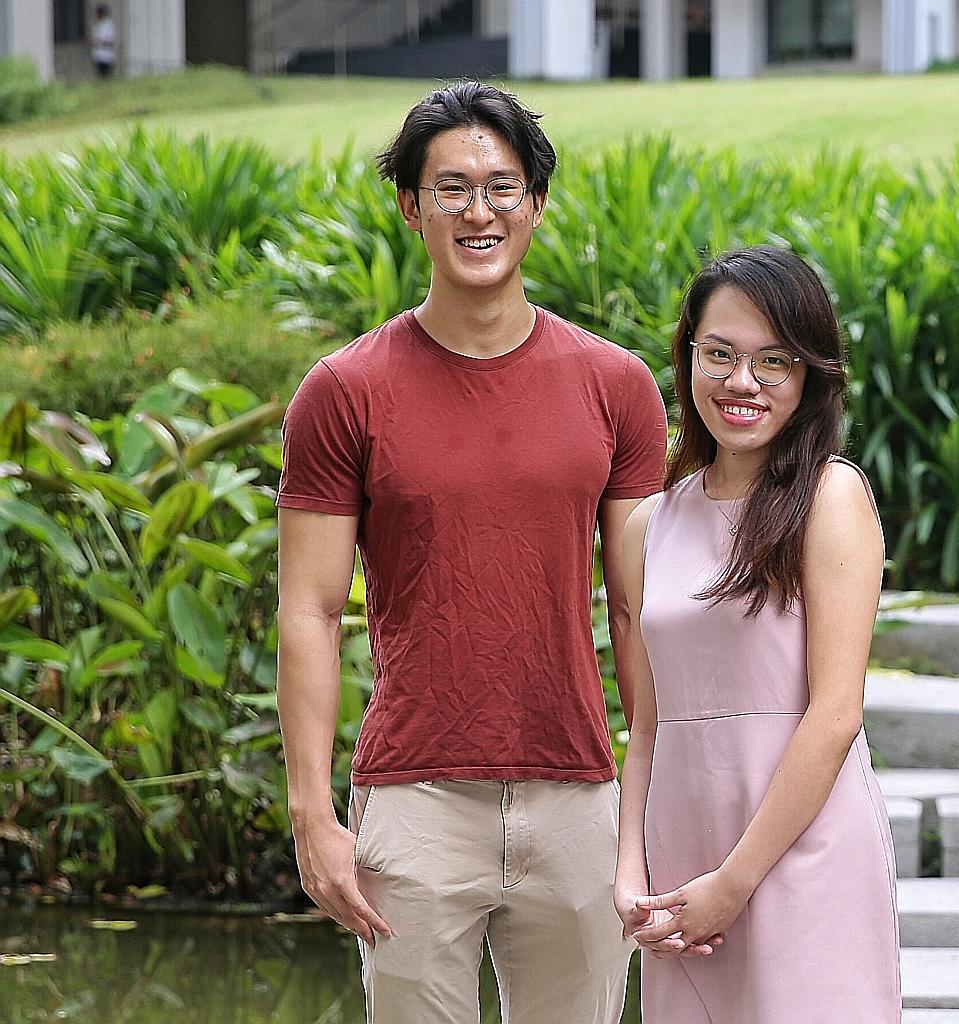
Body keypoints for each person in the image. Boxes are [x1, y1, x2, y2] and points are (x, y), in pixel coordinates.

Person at [275, 81, 667, 1024]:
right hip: (414, 797)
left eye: (500, 187)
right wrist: (311, 813)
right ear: (411, 207)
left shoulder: (618, 387)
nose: (478, 212)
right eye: (450, 189)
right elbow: (310, 611)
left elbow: (638, 608)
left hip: (578, 792)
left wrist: (656, 795)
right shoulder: (344, 392)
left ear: (536, 202)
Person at [612, 246, 901, 1021]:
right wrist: (630, 869)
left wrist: (734, 884)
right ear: (688, 359)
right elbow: (648, 727)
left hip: (801, 850)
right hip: (683, 859)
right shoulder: (649, 525)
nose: (743, 382)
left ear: (810, 377)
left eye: (774, 361)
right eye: (720, 354)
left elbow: (836, 716)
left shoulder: (831, 497)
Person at [90, 5, 117, 79]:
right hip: (98, 56)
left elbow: (111, 41)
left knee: (106, 77)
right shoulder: (99, 24)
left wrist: (97, 42)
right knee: (100, 77)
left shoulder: (108, 24)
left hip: (107, 56)